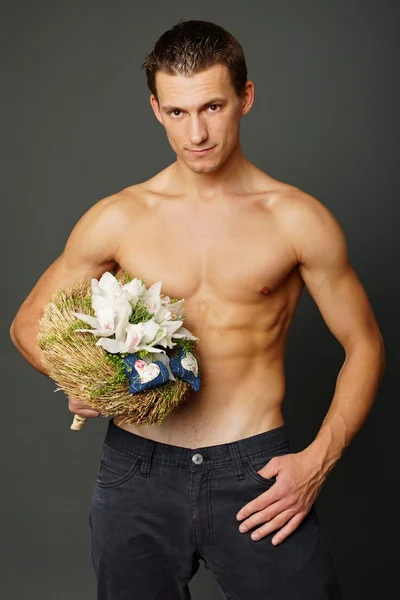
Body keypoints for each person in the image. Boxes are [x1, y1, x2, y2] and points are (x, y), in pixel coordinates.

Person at [10, 18, 385, 600]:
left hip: (255, 473)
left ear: (246, 98)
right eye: (179, 113)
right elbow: (27, 322)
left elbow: (365, 344)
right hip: (137, 472)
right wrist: (78, 379)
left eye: (212, 106)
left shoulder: (296, 219)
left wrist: (317, 460)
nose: (197, 133)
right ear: (157, 109)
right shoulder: (120, 216)